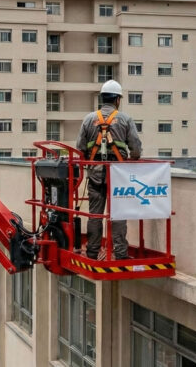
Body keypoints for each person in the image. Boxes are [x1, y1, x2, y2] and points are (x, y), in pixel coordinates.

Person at [76, 80, 142, 260]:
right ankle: (120, 254)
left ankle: (91, 253)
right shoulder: (126, 120)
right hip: (118, 175)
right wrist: (129, 160)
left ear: (102, 98)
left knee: (94, 215)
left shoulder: (89, 119)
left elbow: (80, 149)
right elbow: (135, 149)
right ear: (117, 100)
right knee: (118, 215)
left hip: (95, 175)